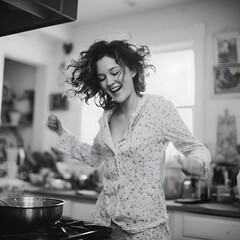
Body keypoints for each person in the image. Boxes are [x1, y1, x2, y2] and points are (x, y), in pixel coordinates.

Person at [47, 40, 211, 240]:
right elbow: (93, 156)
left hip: (146, 231)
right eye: (102, 77)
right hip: (105, 228)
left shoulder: (158, 108)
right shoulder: (106, 119)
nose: (109, 81)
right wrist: (63, 134)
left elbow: (196, 148)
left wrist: (197, 163)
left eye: (115, 72)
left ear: (132, 70)